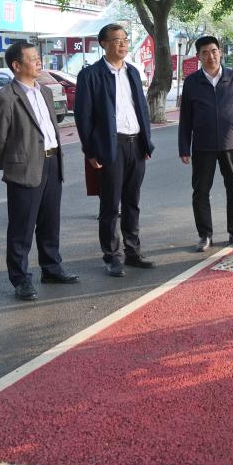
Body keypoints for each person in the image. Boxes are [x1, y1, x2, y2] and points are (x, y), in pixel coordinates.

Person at [0, 41, 79, 301]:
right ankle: (20, 279)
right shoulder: (5, 96)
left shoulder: (45, 92)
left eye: (39, 57)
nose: (39, 62)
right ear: (17, 65)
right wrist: (13, 163)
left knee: (50, 222)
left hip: (52, 162)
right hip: (24, 168)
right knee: (22, 227)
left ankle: (52, 268)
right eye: (32, 58)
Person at [74, 24, 156, 277]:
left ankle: (133, 252)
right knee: (110, 205)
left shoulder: (132, 72)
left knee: (133, 202)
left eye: (125, 40)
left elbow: (141, 109)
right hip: (111, 146)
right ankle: (112, 256)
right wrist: (90, 151)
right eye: (116, 40)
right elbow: (83, 116)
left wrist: (146, 141)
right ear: (104, 44)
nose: (122, 44)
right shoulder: (90, 75)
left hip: (136, 144)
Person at [179, 36, 233, 251]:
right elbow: (185, 118)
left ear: (220, 52)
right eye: (205, 52)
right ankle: (205, 235)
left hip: (231, 144)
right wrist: (184, 147)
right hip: (203, 145)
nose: (210, 56)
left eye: (213, 51)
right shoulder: (192, 82)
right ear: (198, 56)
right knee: (200, 191)